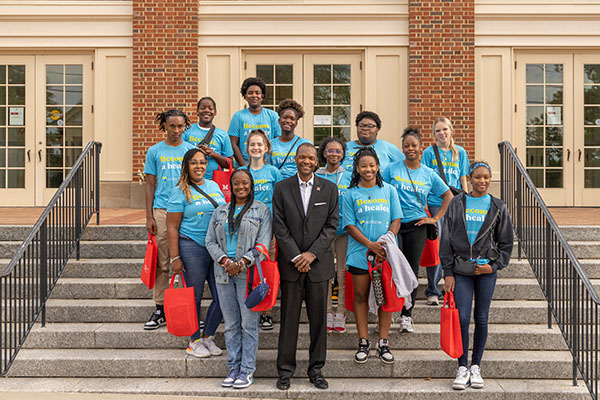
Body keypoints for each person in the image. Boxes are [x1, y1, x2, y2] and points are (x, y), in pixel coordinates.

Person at [440, 161, 513, 390]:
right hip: (461, 271)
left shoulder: (498, 206)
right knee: (462, 318)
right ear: (470, 179)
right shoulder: (457, 203)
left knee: (481, 318)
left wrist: (494, 266)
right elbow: (446, 238)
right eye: (478, 177)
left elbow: (506, 242)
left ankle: (476, 366)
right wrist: (448, 272)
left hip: (485, 271)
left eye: (487, 177)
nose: (483, 181)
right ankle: (462, 366)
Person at [272, 143, 339, 391]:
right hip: (291, 267)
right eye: (302, 157)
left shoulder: (330, 189)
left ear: (316, 161)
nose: (306, 161)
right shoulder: (281, 188)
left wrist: (310, 255)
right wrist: (295, 256)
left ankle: (316, 369)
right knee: (289, 321)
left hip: (318, 267)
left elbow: (331, 226)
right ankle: (285, 371)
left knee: (319, 322)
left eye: (310, 158)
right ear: (296, 159)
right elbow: (279, 226)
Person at [205, 168, 273, 389]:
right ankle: (233, 366)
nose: (240, 187)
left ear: (251, 185)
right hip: (223, 274)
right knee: (232, 325)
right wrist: (226, 262)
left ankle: (247, 370)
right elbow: (210, 241)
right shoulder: (221, 211)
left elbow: (263, 244)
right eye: (236, 183)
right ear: (231, 186)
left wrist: (242, 262)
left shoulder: (262, 211)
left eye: (245, 183)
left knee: (249, 324)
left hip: (248, 275)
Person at [382, 126, 452, 333]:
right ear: (402, 148)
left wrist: (435, 218)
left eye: (414, 145)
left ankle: (406, 315)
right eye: (406, 146)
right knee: (393, 268)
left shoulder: (429, 174)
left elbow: (448, 195)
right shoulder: (391, 169)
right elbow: (381, 190)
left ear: (421, 148)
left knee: (411, 270)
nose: (410, 148)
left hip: (417, 225)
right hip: (393, 224)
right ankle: (389, 312)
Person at [342, 147, 402, 364]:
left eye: (372, 165)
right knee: (360, 297)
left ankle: (383, 342)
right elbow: (349, 224)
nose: (368, 169)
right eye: (363, 166)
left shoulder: (389, 191)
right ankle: (363, 341)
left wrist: (385, 241)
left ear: (378, 166)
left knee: (384, 297)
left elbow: (396, 219)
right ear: (357, 169)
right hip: (359, 253)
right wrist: (370, 245)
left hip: (385, 254)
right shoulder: (349, 194)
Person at [166, 148, 227, 358]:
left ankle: (208, 336)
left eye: (202, 162)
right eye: (194, 162)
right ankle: (194, 341)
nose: (199, 166)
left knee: (222, 296)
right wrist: (175, 257)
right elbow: (172, 227)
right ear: (186, 166)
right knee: (194, 296)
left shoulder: (213, 185)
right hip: (191, 246)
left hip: (216, 248)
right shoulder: (179, 191)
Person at [143, 109, 196, 330]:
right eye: (171, 126)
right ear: (164, 126)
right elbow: (150, 184)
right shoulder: (155, 151)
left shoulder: (190, 151)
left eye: (180, 126)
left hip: (187, 209)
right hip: (162, 209)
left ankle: (188, 307)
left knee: (189, 260)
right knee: (163, 262)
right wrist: (149, 215)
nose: (176, 130)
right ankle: (160, 308)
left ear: (185, 126)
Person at [421, 117, 470, 305]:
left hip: (456, 203)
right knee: (437, 247)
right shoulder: (428, 153)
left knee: (456, 246)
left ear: (451, 130)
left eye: (444, 130)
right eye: (437, 131)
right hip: (435, 203)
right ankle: (432, 290)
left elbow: (463, 178)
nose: (441, 134)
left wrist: (466, 201)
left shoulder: (460, 153)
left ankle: (452, 287)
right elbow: (424, 179)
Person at [240, 129, 282, 331]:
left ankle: (266, 311)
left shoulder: (274, 172)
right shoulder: (241, 171)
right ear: (247, 148)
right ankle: (246, 306)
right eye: (252, 145)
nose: (256, 148)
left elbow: (280, 201)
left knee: (265, 268)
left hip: (268, 228)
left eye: (260, 145)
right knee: (246, 268)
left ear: (266, 148)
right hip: (245, 227)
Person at [315, 136, 352, 333]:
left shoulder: (349, 176)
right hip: (323, 232)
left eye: (338, 151)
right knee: (326, 274)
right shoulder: (317, 175)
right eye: (330, 150)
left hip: (344, 231)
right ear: (323, 153)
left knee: (342, 274)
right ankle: (328, 311)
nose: (334, 154)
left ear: (343, 154)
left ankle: (341, 313)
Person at [228, 77, 281, 166]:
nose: (254, 96)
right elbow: (233, 144)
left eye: (257, 93)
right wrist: (244, 167)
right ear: (245, 96)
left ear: (262, 96)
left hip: (268, 165)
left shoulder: (273, 116)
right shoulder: (238, 116)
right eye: (250, 93)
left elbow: (278, 143)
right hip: (244, 165)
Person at [183, 97, 234, 180]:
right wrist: (196, 151)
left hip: (214, 182)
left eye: (210, 108)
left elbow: (230, 164)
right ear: (197, 112)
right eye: (202, 108)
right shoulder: (187, 131)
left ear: (215, 112)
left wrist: (213, 154)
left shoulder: (222, 135)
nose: (206, 111)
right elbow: (180, 156)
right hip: (190, 181)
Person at [270, 99, 311, 179]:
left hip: (298, 186)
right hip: (277, 186)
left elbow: (313, 167)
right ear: (279, 120)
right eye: (285, 117)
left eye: (292, 119)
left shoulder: (305, 144)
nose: (288, 121)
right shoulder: (270, 144)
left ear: (296, 122)